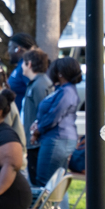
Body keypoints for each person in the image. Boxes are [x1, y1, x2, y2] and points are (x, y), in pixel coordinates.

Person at [32, 55, 81, 187]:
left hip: (57, 140)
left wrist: (38, 130)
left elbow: (55, 115)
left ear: (60, 73)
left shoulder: (67, 92)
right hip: (57, 139)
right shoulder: (63, 90)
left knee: (45, 182)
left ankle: (50, 208)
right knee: (56, 183)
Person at [20, 49, 53, 184]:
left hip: (37, 142)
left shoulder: (40, 85)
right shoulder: (35, 83)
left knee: (37, 181)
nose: (21, 66)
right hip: (34, 141)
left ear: (29, 64)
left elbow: (44, 112)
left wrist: (35, 134)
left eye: (23, 62)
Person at [5, 33, 37, 102]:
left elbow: (35, 91)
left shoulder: (27, 66)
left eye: (10, 47)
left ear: (17, 49)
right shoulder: (20, 65)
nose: (8, 51)